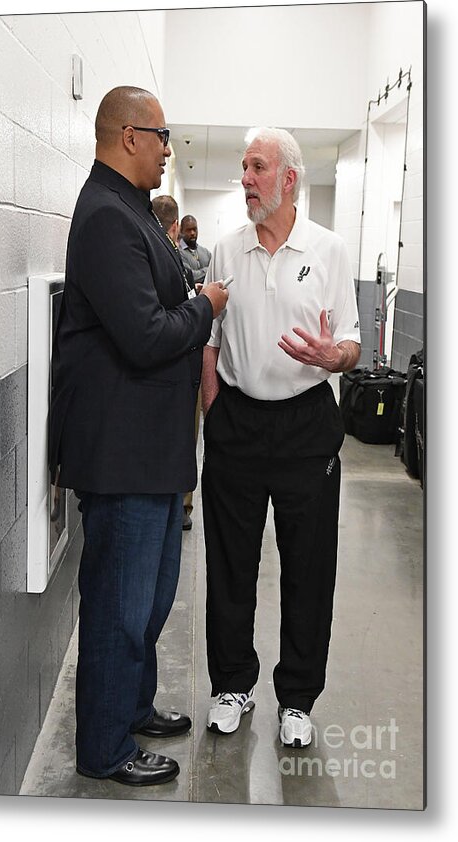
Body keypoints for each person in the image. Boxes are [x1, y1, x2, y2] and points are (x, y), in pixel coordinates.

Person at [49, 86, 228, 787]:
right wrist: (204, 308)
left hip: (147, 452)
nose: (166, 148)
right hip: (120, 454)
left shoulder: (129, 212)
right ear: (129, 135)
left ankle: (133, 705)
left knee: (149, 602)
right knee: (119, 608)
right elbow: (148, 335)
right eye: (161, 135)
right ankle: (103, 747)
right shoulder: (104, 216)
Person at [201, 127, 361, 748]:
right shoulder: (224, 250)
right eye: (243, 167)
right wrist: (215, 415)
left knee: (308, 566)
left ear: (288, 179)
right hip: (237, 424)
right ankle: (231, 685)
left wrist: (333, 354)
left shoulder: (329, 249)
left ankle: (297, 698)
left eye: (257, 168)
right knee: (231, 564)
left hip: (305, 425)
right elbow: (209, 345)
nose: (245, 178)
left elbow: (349, 340)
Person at [152, 195, 201, 531]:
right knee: (185, 434)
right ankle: (179, 502)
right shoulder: (162, 260)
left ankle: (179, 502)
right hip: (175, 369)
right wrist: (204, 306)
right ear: (175, 228)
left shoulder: (170, 262)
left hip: (178, 371)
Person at [179, 215, 212, 287]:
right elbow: (190, 277)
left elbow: (215, 271)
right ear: (181, 231)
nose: (192, 233)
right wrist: (208, 270)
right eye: (188, 230)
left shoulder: (205, 252)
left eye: (194, 229)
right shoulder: (178, 253)